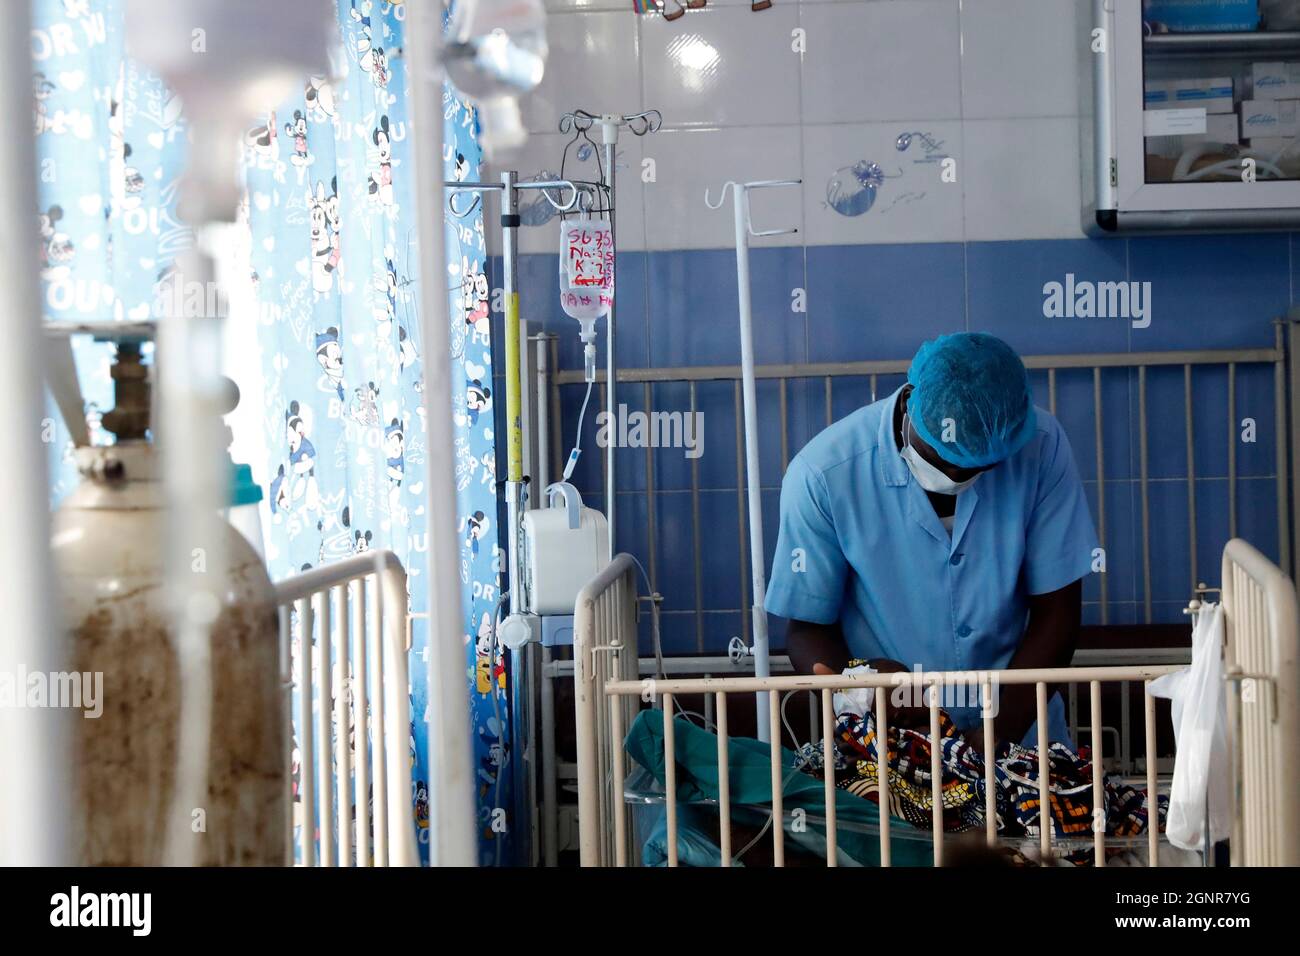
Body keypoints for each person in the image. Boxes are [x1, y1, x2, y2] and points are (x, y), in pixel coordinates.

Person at [765, 332, 1098, 747]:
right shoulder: (823, 474)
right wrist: (859, 677)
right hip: (894, 746)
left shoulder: (1038, 447)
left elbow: (1058, 614)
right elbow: (806, 629)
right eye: (947, 460)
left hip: (1021, 733)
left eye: (980, 467)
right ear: (911, 404)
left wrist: (990, 744)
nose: (958, 478)